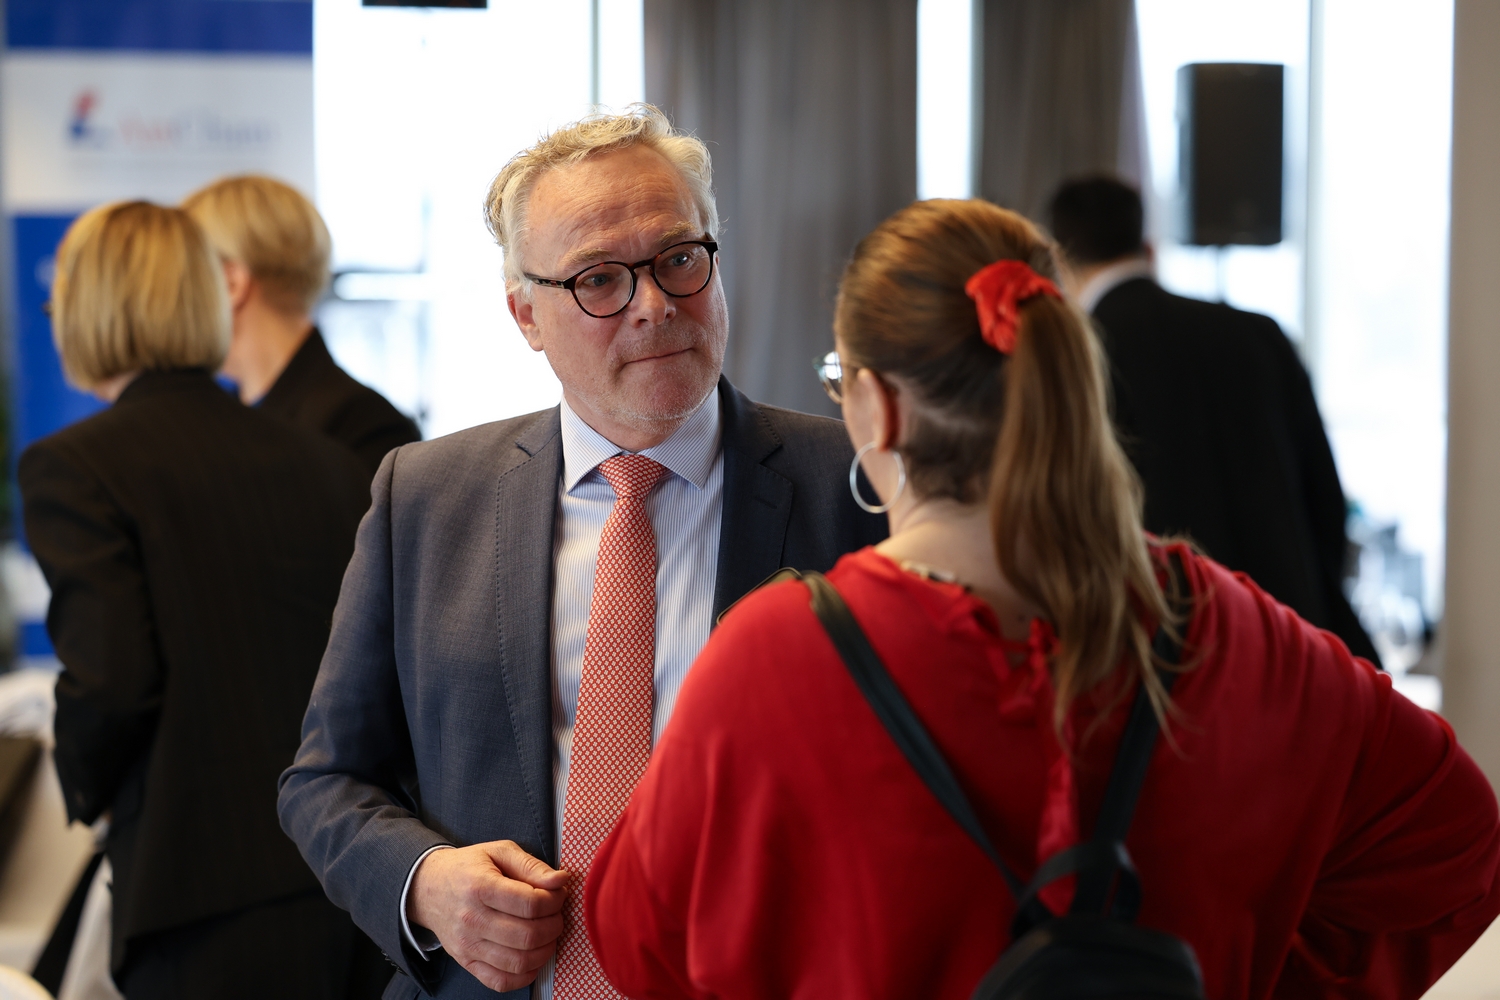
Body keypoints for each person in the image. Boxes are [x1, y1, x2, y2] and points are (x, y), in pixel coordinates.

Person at [584, 198, 1500, 999]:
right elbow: (1459, 849)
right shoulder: (1241, 632)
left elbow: (634, 939)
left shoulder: (776, 657)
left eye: (840, 381)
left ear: (879, 408)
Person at [276, 105, 887, 1000]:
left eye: (680, 258)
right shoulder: (427, 496)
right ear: (526, 314)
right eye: (600, 279)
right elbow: (326, 779)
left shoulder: (860, 485)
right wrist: (425, 883)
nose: (656, 305)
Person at [18, 202, 378, 999]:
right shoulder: (326, 462)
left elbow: (111, 681)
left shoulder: (74, 466)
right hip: (342, 878)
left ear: (87, 308)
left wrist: (86, 786)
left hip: (196, 890)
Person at [1046, 175, 1381, 666]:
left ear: (1059, 262)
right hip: (1291, 637)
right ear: (1147, 246)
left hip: (1167, 653)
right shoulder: (1260, 334)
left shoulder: (1076, 358)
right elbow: (1326, 504)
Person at [183, 174, 421, 478]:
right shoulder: (216, 415)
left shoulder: (364, 428)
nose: (175, 299)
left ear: (231, 284)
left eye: (187, 276)